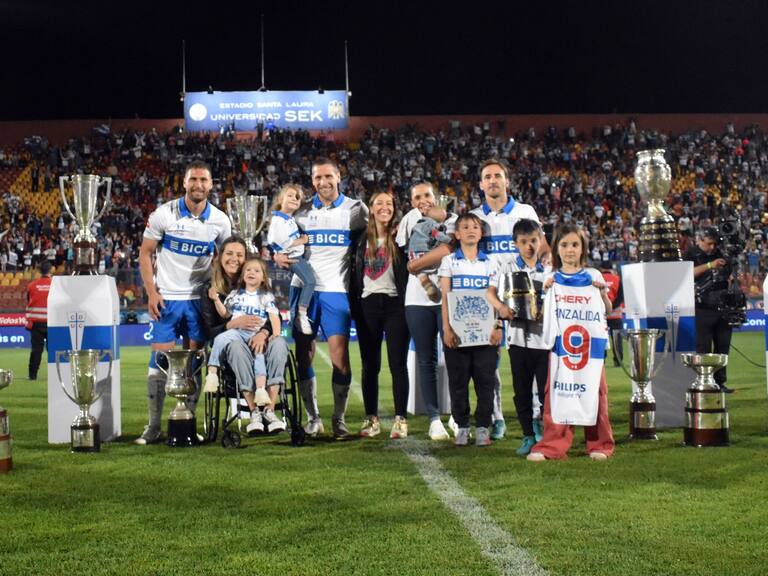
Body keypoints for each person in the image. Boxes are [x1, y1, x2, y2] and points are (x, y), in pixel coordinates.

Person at [135, 160, 232, 445]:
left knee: (195, 362)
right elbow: (145, 253)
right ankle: (153, 426)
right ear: (184, 182)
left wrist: (218, 290)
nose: (198, 185)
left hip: (198, 302)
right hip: (166, 299)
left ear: (211, 185)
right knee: (159, 361)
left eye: (203, 180)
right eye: (193, 179)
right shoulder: (163, 214)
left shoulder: (220, 221)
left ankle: (187, 421)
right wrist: (152, 292)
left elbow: (228, 258)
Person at [275, 158, 368, 439]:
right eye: (317, 177)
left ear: (339, 177)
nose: (323, 182)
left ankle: (339, 419)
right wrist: (277, 255)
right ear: (312, 180)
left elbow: (368, 244)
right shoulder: (300, 211)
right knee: (304, 354)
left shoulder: (356, 209)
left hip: (336, 290)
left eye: (328, 176)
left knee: (340, 357)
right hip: (302, 287)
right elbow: (281, 240)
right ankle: (313, 418)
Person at [469, 158, 545, 440]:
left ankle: (536, 417)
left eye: (497, 176)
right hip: (488, 295)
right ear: (481, 184)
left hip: (524, 294)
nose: (493, 181)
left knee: (531, 356)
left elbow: (541, 246)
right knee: (489, 362)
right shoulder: (474, 217)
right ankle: (497, 416)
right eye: (487, 177)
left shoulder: (525, 211)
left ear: (507, 181)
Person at [528, 223, 615, 461]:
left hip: (591, 349)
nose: (570, 250)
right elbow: (540, 315)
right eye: (564, 245)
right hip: (561, 349)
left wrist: (602, 294)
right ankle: (553, 446)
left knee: (596, 393)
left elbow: (607, 310)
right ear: (556, 248)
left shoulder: (594, 275)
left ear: (582, 248)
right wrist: (545, 293)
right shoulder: (551, 278)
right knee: (557, 394)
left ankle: (600, 445)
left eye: (575, 245)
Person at [200, 236, 289, 434]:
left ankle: (270, 409)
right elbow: (210, 331)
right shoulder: (211, 289)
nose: (234, 258)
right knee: (236, 347)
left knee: (279, 344)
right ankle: (253, 410)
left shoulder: (261, 290)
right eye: (229, 253)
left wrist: (264, 333)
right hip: (233, 342)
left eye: (239, 255)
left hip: (259, 338)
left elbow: (274, 317)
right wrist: (232, 324)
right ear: (220, 257)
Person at [397, 182, 457, 440]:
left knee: (455, 356)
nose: (423, 200)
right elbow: (405, 255)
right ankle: (434, 419)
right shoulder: (408, 220)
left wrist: (419, 264)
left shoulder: (453, 219)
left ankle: (457, 415)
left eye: (427, 195)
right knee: (426, 359)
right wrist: (420, 263)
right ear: (412, 202)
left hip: (447, 295)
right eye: (417, 197)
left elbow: (449, 249)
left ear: (436, 197)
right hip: (417, 298)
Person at [349, 190, 410, 439]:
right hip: (368, 305)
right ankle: (371, 418)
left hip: (396, 304)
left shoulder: (401, 237)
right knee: (370, 365)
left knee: (398, 364)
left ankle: (400, 419)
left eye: (389, 203)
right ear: (371, 209)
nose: (385, 207)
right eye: (379, 203)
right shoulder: (359, 239)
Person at [487, 219, 549, 455]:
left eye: (533, 241)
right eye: (523, 242)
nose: (529, 246)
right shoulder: (507, 266)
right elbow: (490, 293)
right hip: (518, 340)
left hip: (544, 341)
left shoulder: (549, 269)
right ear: (515, 243)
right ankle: (527, 435)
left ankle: (545, 432)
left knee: (545, 391)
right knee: (521, 391)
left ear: (540, 240)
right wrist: (501, 309)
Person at [438, 213, 501, 446]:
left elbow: (496, 298)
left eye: (475, 226)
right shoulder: (449, 262)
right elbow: (445, 297)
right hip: (457, 335)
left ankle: (483, 428)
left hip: (486, 335)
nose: (471, 230)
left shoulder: (491, 263)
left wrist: (498, 326)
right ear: (457, 234)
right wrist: (446, 328)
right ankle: (462, 427)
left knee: (485, 383)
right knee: (458, 383)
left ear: (481, 233)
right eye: (465, 227)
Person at [685, 227, 734, 393]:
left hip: (722, 307)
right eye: (709, 244)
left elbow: (729, 274)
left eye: (715, 244)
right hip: (702, 307)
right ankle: (704, 382)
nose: (712, 247)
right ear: (699, 240)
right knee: (703, 348)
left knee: (723, 347)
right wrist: (709, 265)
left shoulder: (720, 253)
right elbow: (686, 274)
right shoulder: (690, 254)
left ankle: (720, 383)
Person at [266, 184, 315, 335]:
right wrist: (302, 241)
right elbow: (281, 242)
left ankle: (296, 319)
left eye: (297, 197)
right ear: (280, 199)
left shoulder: (289, 218)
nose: (294, 199)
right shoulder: (279, 219)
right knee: (310, 282)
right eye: (290, 195)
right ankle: (302, 314)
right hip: (294, 257)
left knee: (299, 288)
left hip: (299, 256)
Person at [407, 204, 452, 302]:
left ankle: (427, 284)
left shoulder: (417, 224)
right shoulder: (432, 225)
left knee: (420, 273)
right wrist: (448, 239)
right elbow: (436, 234)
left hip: (412, 255)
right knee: (442, 258)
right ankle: (441, 281)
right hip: (424, 253)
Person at [25, 260, 53, 381]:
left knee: (36, 350)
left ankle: (32, 376)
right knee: (53, 350)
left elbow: (28, 301)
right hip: (52, 323)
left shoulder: (31, 285)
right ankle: (56, 375)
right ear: (51, 270)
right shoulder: (55, 285)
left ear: (39, 271)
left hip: (36, 323)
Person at [600, 258, 623, 367]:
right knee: (617, 339)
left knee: (602, 338)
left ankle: (602, 360)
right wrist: (612, 307)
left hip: (601, 315)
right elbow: (620, 297)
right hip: (615, 315)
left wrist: (605, 308)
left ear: (601, 268)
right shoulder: (617, 279)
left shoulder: (598, 279)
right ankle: (618, 361)